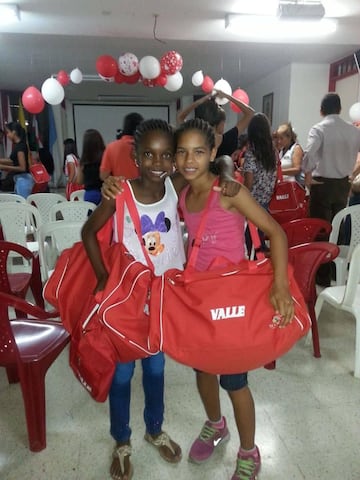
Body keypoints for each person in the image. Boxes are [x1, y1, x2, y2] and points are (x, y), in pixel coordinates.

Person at [85, 118, 240, 480]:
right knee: (122, 376)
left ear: (173, 160)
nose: (158, 163)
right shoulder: (119, 192)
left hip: (162, 302)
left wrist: (230, 169)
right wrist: (104, 277)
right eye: (149, 155)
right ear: (135, 158)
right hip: (127, 304)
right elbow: (89, 232)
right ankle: (121, 441)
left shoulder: (174, 187)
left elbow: (217, 163)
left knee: (156, 371)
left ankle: (154, 429)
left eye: (165, 155)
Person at [174, 118, 294, 480]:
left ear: (213, 153)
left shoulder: (229, 192)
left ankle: (248, 450)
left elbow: (276, 232)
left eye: (199, 151)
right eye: (182, 152)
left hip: (231, 302)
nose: (189, 159)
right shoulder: (183, 195)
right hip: (200, 300)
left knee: (235, 380)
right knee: (203, 369)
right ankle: (215, 424)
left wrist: (280, 286)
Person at [302, 92, 360, 286]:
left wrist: (307, 173)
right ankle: (337, 272)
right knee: (339, 229)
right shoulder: (353, 131)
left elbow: (309, 155)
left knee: (321, 230)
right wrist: (352, 174)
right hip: (344, 185)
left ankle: (321, 276)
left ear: (321, 110)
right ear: (340, 109)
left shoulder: (319, 129)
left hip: (322, 185)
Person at [177, 90, 255, 156]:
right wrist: (227, 96)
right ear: (220, 123)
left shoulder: (198, 138)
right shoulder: (229, 139)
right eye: (224, 122)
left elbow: (180, 118)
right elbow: (250, 113)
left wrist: (201, 101)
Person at [243, 113, 278, 255]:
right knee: (259, 238)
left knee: (250, 239)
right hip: (266, 200)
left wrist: (242, 196)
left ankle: (256, 267)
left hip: (253, 202)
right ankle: (262, 260)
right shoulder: (273, 152)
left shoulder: (251, 153)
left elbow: (249, 182)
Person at [100, 112, 144, 181]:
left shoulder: (111, 147)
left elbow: (103, 175)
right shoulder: (146, 148)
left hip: (121, 189)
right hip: (143, 190)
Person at [0, 121, 34, 197]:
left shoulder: (20, 147)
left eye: (8, 132)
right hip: (20, 179)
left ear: (14, 132)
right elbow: (13, 161)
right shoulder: (17, 145)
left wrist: (3, 167)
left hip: (23, 180)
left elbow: (22, 168)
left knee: (23, 204)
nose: (7, 135)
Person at [76, 128, 105, 205]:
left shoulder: (83, 161)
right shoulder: (105, 158)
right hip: (105, 193)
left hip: (90, 195)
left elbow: (79, 181)